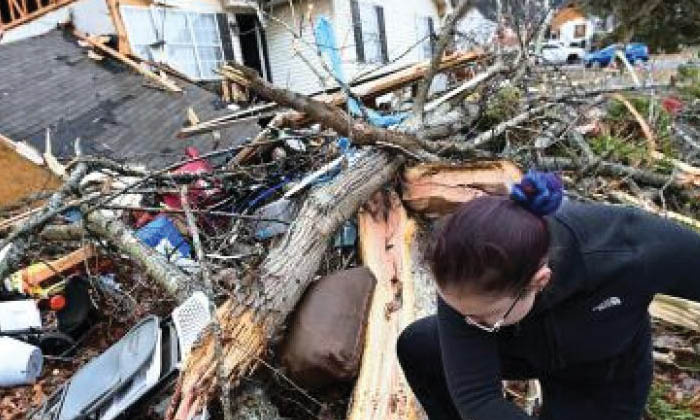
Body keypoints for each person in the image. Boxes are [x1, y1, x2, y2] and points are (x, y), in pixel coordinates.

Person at [396, 170, 700, 420]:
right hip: (522, 346)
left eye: (483, 319)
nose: (468, 325)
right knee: (420, 346)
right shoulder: (460, 267)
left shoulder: (631, 250)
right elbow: (478, 398)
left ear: (538, 281)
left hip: (600, 368)